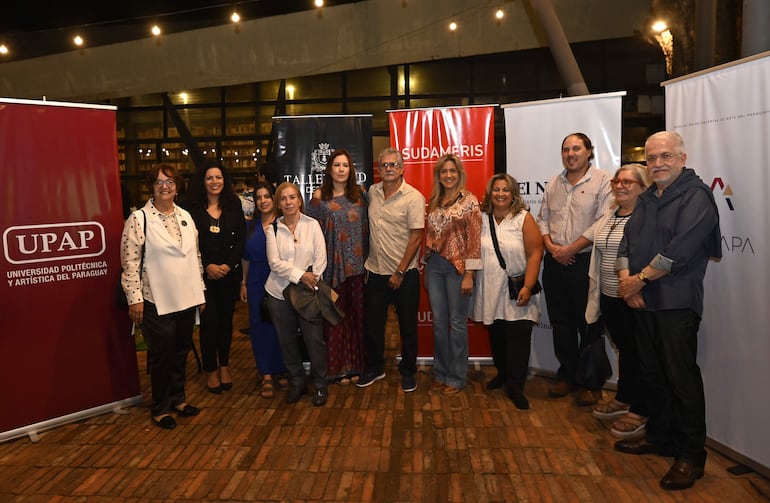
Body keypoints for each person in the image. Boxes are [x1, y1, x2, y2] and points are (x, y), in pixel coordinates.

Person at [613, 131, 721, 491]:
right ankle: (660, 437)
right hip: (642, 300)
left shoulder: (697, 196)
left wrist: (638, 281)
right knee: (652, 374)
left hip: (675, 304)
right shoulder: (647, 198)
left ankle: (691, 456)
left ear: (682, 158)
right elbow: (627, 241)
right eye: (652, 158)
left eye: (665, 157)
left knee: (681, 380)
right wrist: (628, 281)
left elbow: (681, 250)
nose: (657, 163)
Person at [120, 164, 206, 430]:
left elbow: (196, 257)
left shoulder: (186, 216)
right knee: (161, 353)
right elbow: (130, 261)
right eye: (159, 183)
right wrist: (134, 298)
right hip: (155, 298)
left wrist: (200, 291)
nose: (165, 186)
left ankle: (178, 399)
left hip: (185, 296)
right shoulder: (139, 219)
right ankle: (160, 407)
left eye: (170, 182)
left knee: (180, 350)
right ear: (152, 187)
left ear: (176, 187)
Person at [536, 132, 613, 405]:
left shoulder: (603, 181)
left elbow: (603, 222)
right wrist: (550, 246)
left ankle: (591, 382)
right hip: (555, 262)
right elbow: (543, 218)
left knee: (589, 323)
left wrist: (571, 249)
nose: (571, 154)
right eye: (566, 149)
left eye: (576, 149)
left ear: (589, 152)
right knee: (561, 323)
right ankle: (567, 374)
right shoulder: (554, 183)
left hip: (586, 262)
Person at [586, 164, 652, 438]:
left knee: (642, 354)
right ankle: (625, 397)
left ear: (643, 187)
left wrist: (634, 286)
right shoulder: (611, 214)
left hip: (637, 297)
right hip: (611, 296)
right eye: (617, 181)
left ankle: (641, 408)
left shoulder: (648, 217)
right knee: (626, 350)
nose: (621, 186)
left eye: (628, 182)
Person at [471, 174, 543, 409]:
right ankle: (502, 374)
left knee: (518, 340)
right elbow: (472, 250)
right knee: (498, 336)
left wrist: (528, 286)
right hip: (489, 288)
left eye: (505, 190)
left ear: (513, 194)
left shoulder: (523, 218)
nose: (500, 194)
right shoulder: (482, 218)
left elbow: (535, 253)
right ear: (490, 193)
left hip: (516, 289)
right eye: (496, 190)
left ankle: (516, 387)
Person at [356, 147, 425, 393]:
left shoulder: (414, 197)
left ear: (402, 168)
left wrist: (400, 272)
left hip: (404, 275)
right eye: (383, 165)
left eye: (393, 165)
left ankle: (408, 371)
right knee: (373, 326)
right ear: (378, 169)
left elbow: (416, 238)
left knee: (407, 327)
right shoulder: (371, 193)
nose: (388, 169)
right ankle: (375, 368)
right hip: (374, 272)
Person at [265, 182, 329, 406]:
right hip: (279, 293)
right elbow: (275, 263)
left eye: (292, 197)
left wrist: (312, 278)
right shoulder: (272, 228)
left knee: (315, 341)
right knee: (287, 342)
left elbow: (321, 258)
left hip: (308, 293)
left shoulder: (312, 225)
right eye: (283, 199)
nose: (288, 202)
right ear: (278, 203)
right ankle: (297, 383)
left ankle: (320, 386)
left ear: (300, 200)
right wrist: (302, 275)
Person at [307, 149, 368, 384]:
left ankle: (358, 366)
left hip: (360, 268)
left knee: (358, 318)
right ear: (329, 169)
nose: (341, 169)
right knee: (334, 318)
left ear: (350, 169)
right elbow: (311, 233)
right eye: (337, 165)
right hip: (333, 268)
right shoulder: (319, 197)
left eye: (345, 165)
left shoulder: (360, 194)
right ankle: (338, 368)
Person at [186, 163, 246, 394]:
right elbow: (190, 244)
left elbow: (241, 239)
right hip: (203, 277)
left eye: (218, 177)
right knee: (208, 324)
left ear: (225, 180)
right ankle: (210, 369)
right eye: (209, 178)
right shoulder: (192, 208)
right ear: (203, 181)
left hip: (228, 275)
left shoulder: (233, 204)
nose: (214, 182)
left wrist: (228, 265)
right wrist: (207, 267)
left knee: (226, 323)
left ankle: (224, 365)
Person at [424, 154, 481, 395]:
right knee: (439, 324)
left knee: (457, 324)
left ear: (459, 174)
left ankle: (457, 378)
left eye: (452, 171)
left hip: (458, 269)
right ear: (438, 175)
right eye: (443, 171)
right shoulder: (435, 200)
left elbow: (475, 240)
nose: (448, 175)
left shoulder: (470, 201)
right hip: (434, 267)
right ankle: (440, 372)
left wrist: (470, 274)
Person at [240, 181, 287, 399]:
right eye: (259, 197)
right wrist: (243, 282)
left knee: (282, 326)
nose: (263, 201)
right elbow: (246, 258)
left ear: (274, 198)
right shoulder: (250, 226)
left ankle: (281, 369)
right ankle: (266, 372)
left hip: (281, 280)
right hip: (256, 281)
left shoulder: (285, 223)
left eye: (267, 196)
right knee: (259, 327)